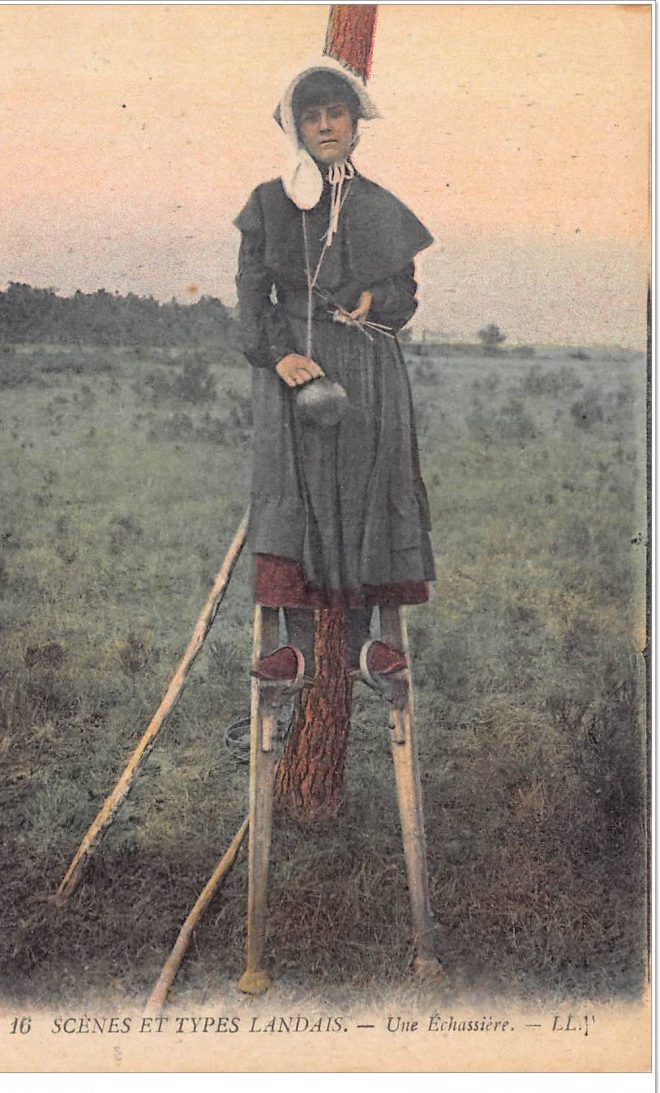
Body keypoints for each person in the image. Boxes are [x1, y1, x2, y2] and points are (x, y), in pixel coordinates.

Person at [234, 59, 435, 686]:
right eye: (312, 116)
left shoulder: (378, 204)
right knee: (299, 496)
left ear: (354, 123)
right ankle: (294, 650)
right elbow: (251, 298)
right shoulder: (269, 203)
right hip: (295, 371)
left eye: (335, 114)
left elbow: (405, 292)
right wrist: (278, 356)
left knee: (366, 492)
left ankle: (371, 647)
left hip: (368, 370)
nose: (325, 126)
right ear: (296, 126)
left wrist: (377, 302)